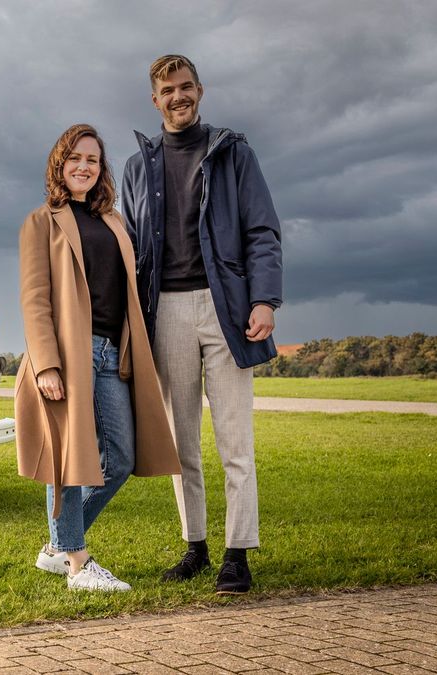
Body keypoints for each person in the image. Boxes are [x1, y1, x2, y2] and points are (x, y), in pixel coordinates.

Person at [120, 55, 283, 595]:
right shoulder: (136, 167)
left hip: (227, 308)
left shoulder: (234, 153)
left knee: (235, 440)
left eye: (186, 87)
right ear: (155, 99)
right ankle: (195, 546)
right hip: (165, 310)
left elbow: (262, 230)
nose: (178, 97)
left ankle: (238, 553)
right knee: (180, 442)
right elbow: (131, 249)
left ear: (200, 91)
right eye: (167, 90)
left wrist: (264, 301)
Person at [16, 124, 180, 592]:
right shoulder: (41, 222)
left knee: (122, 458)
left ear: (101, 168)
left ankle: (57, 545)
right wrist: (46, 363)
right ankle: (77, 563)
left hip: (113, 352)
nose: (84, 166)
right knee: (67, 458)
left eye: (92, 159)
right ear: (59, 166)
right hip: (69, 353)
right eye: (74, 159)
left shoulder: (116, 222)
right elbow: (34, 298)